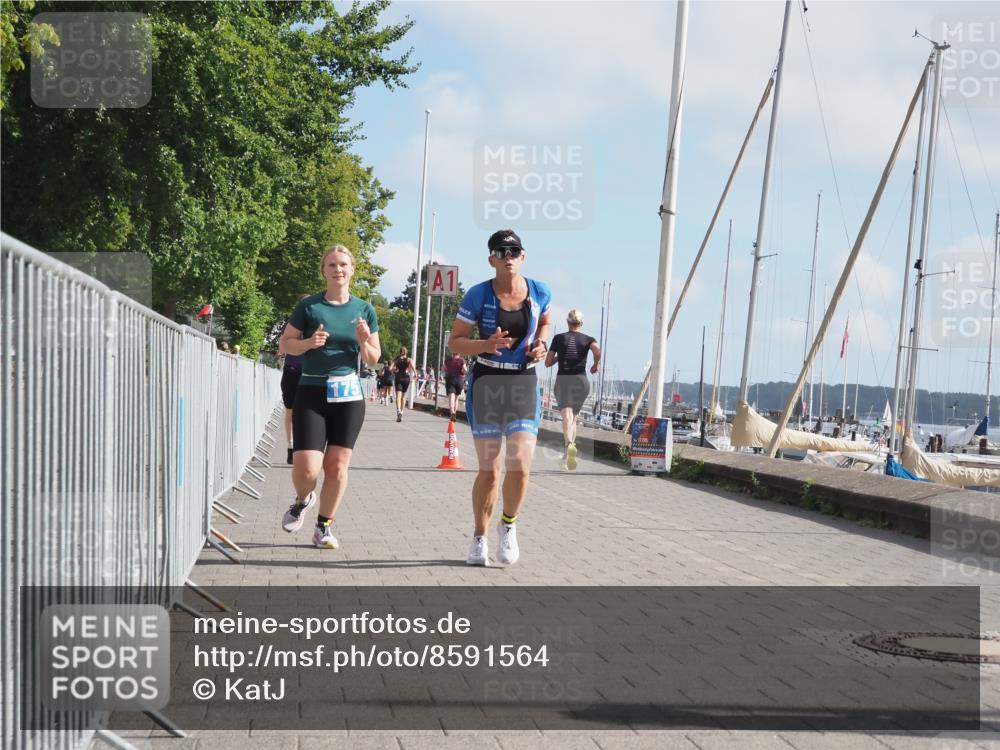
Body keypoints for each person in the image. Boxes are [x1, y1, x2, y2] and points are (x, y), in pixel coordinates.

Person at [447, 229, 551, 567]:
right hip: (488, 381)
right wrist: (484, 345)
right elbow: (455, 342)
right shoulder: (478, 295)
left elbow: (546, 320)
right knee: (490, 471)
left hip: (522, 381)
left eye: (514, 250)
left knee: (520, 466)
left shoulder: (539, 292)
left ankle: (508, 526)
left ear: (523, 256)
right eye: (501, 251)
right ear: (491, 258)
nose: (508, 256)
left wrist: (542, 343)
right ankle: (479, 537)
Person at [278, 245, 381, 549]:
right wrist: (309, 342)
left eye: (344, 265)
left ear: (352, 270)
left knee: (336, 466)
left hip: (348, 395)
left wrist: (363, 343)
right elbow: (286, 344)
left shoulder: (364, 310)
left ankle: (323, 526)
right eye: (332, 265)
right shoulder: (309, 307)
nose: (338, 270)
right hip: (311, 390)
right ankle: (302, 499)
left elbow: (374, 358)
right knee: (307, 468)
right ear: (324, 270)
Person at [545, 309, 600, 470]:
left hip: (564, 380)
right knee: (574, 418)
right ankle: (567, 453)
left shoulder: (559, 338)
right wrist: (595, 365)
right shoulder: (589, 339)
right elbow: (597, 351)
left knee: (566, 416)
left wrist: (559, 357)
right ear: (581, 324)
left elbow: (548, 362)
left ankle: (569, 444)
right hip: (581, 381)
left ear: (567, 322)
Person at [279, 300, 308, 464]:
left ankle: (302, 449)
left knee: (305, 413)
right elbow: (282, 346)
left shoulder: (316, 323)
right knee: (290, 410)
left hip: (310, 374)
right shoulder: (291, 324)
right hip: (292, 371)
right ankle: (291, 447)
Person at [391, 347, 415, 422]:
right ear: (406, 352)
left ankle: (398, 411)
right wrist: (416, 374)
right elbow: (412, 367)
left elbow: (390, 368)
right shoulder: (409, 359)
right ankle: (402, 412)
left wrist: (394, 370)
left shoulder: (397, 359)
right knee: (404, 396)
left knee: (398, 396)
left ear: (400, 352)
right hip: (406, 379)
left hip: (398, 378)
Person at [442, 352, 467, 420]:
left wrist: (447, 371)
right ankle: (454, 413)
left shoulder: (447, 360)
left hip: (450, 379)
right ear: (459, 353)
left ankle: (452, 412)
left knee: (451, 398)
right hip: (459, 380)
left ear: (452, 353)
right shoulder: (462, 360)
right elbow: (465, 370)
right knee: (456, 399)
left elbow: (443, 369)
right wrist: (463, 373)